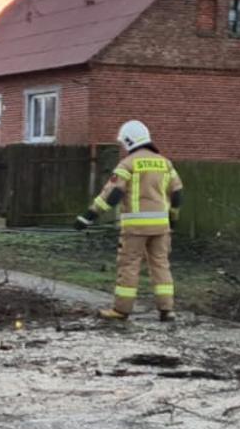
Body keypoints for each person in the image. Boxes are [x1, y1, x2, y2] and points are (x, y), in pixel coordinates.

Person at [75, 121, 182, 321]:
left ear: (129, 141)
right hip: (161, 226)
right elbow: (177, 193)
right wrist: (173, 219)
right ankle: (167, 310)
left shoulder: (128, 164)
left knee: (129, 266)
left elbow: (113, 193)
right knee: (161, 265)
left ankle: (121, 310)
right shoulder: (165, 163)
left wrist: (89, 216)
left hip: (135, 227)